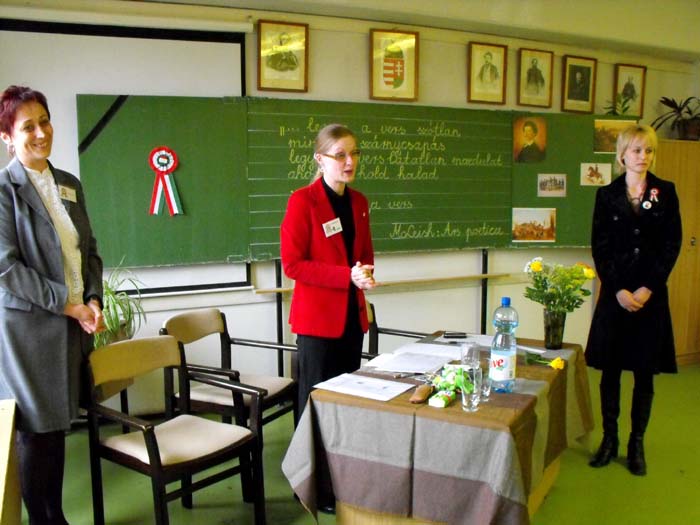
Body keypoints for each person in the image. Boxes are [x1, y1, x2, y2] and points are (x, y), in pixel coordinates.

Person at [0, 85, 104, 524]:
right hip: (29, 332)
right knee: (35, 431)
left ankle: (54, 514)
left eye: (44, 121)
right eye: (28, 127)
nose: (41, 133)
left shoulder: (68, 184)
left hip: (70, 325)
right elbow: (6, 269)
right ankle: (44, 519)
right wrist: (68, 304)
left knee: (58, 424)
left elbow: (88, 249)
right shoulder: (3, 189)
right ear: (7, 136)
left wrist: (93, 297)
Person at [585, 124, 681, 477]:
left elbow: (671, 245)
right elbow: (600, 247)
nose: (644, 157)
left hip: (649, 297)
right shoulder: (606, 195)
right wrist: (618, 290)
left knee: (644, 373)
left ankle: (635, 443)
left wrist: (648, 288)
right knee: (610, 372)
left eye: (649, 150)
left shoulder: (664, 192)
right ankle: (608, 439)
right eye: (637, 150)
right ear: (622, 155)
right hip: (616, 296)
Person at [281, 123, 375, 418]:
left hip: (352, 319)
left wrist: (365, 274)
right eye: (340, 155)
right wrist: (347, 276)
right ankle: (308, 451)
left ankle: (343, 449)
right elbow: (292, 264)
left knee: (347, 399)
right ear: (320, 159)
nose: (350, 161)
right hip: (317, 323)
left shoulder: (359, 202)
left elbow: (364, 255)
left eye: (354, 153)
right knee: (316, 401)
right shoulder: (302, 201)